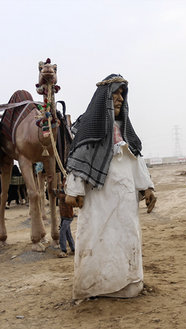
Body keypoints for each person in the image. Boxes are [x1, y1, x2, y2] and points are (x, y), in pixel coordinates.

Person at [64, 74, 156, 302]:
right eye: (115, 94)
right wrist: (74, 190)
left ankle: (128, 284)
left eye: (122, 95)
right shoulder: (89, 131)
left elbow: (136, 160)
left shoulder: (126, 134)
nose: (119, 99)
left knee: (126, 239)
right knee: (97, 239)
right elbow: (78, 160)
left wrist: (147, 188)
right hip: (98, 202)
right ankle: (95, 287)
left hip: (125, 204)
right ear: (104, 98)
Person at [55, 178, 74, 258]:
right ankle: (73, 249)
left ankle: (63, 250)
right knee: (68, 233)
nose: (64, 183)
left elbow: (61, 196)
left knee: (62, 232)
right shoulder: (64, 191)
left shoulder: (68, 192)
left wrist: (55, 190)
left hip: (68, 216)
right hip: (64, 216)